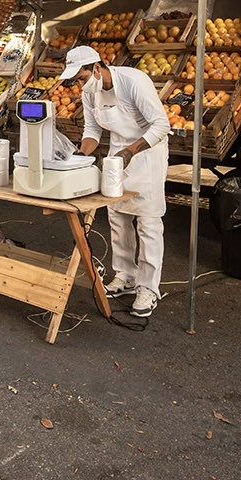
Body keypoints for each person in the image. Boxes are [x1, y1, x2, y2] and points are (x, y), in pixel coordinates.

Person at [62, 45, 170, 318]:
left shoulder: (135, 81)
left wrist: (131, 151)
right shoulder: (91, 92)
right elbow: (92, 130)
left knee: (148, 221)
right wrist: (80, 155)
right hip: (117, 155)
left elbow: (161, 124)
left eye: (82, 78)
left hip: (147, 153)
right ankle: (125, 275)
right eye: (75, 81)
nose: (80, 85)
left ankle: (148, 287)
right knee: (117, 216)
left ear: (96, 68)